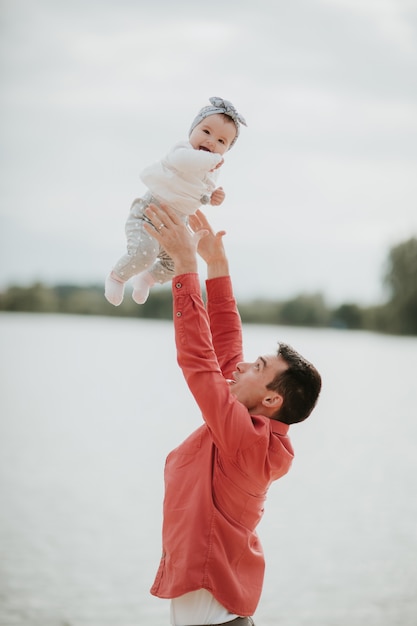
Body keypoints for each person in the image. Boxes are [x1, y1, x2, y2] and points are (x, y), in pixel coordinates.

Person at [142, 203, 322, 626]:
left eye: (258, 368)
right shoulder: (249, 427)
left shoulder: (246, 440)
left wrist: (185, 267)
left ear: (272, 400)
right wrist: (217, 269)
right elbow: (224, 351)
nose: (242, 366)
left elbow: (200, 362)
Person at [104, 97, 247, 306]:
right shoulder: (182, 150)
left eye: (221, 141)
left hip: (178, 222)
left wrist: (213, 197)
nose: (211, 142)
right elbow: (186, 163)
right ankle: (117, 276)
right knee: (145, 253)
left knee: (178, 262)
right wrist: (213, 159)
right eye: (206, 132)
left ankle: (148, 278)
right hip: (150, 212)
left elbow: (200, 194)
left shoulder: (211, 172)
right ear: (192, 131)